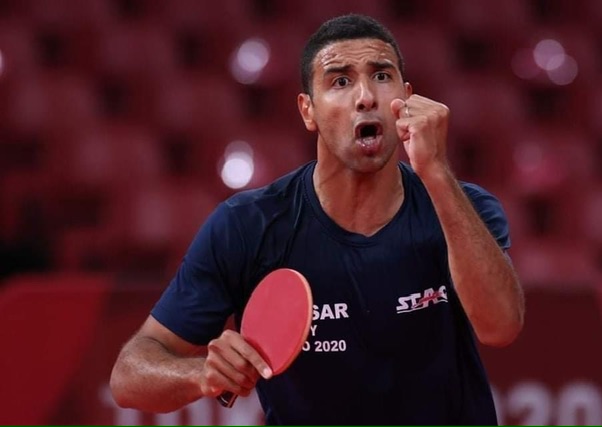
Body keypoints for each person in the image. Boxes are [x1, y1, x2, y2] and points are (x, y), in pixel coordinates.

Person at [110, 14, 525, 425]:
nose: (366, 97)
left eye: (382, 76)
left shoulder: (463, 208)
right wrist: (201, 373)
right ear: (307, 111)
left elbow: (501, 326)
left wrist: (435, 172)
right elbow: (129, 377)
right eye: (340, 81)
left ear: (407, 99)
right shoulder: (248, 226)